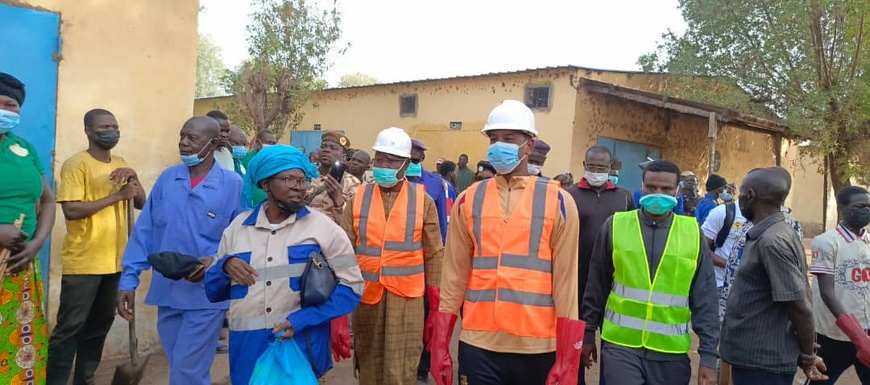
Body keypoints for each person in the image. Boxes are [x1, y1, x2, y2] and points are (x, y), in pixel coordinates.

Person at [429, 100, 583, 385]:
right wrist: (440, 345)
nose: (499, 145)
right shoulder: (469, 199)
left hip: (538, 346)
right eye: (493, 138)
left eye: (509, 139)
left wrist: (567, 358)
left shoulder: (559, 202)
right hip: (479, 344)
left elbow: (566, 286)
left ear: (529, 145)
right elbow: (453, 277)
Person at [204, 145, 364, 384]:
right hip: (247, 350)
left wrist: (301, 320)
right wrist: (225, 266)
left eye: (302, 181)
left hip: (300, 345)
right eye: (289, 180)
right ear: (265, 184)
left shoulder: (323, 228)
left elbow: (352, 288)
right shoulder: (237, 229)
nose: (298, 188)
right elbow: (213, 290)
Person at [117, 116, 242, 385]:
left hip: (206, 295)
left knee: (187, 372)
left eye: (192, 138)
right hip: (167, 293)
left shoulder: (232, 185)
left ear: (213, 143)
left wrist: (214, 263)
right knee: (181, 366)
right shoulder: (167, 179)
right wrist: (129, 280)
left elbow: (241, 239)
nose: (184, 143)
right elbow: (145, 231)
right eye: (182, 136)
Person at [581, 159, 719, 385]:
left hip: (670, 354)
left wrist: (708, 357)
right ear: (641, 187)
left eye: (666, 189)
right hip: (620, 346)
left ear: (677, 191)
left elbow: (705, 299)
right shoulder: (615, 226)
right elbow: (596, 285)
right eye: (652, 187)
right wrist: (588, 333)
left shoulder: (692, 234)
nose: (658, 193)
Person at [47, 109, 147, 385]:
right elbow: (72, 210)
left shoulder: (122, 162)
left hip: (116, 261)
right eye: (104, 126)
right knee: (70, 328)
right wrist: (117, 196)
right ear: (89, 131)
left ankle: (85, 379)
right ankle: (54, 380)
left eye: (114, 125)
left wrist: (134, 181)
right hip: (84, 261)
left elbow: (140, 203)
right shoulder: (76, 164)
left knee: (99, 327)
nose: (111, 130)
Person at [339, 127, 444, 385]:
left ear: (406, 164)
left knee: (402, 366)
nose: (384, 165)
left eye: (392, 160)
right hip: (367, 297)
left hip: (407, 298)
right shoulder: (358, 198)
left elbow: (434, 254)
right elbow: (343, 250)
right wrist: (341, 299)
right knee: (369, 362)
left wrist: (437, 303)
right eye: (380, 158)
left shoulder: (423, 201)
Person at [719, 167, 827, 384]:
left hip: (762, 364)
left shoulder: (772, 241)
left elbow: (799, 305)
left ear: (750, 196)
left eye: (740, 192)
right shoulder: (773, 233)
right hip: (752, 358)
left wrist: (807, 357)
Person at [0, 72, 57, 385]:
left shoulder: (24, 149)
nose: (5, 110)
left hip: (20, 266)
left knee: (19, 351)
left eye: (11, 105)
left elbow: (48, 201)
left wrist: (37, 242)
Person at [563, 145, 634, 385]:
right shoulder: (569, 195)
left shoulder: (624, 197)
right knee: (577, 342)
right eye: (591, 167)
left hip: (616, 284)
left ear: (610, 167)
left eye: (601, 168)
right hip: (577, 282)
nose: (596, 172)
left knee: (613, 345)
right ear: (584, 166)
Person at [807, 186, 870, 384]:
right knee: (820, 380)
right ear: (842, 209)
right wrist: (856, 334)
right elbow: (827, 292)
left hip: (866, 331)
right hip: (831, 335)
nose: (866, 210)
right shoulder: (826, 242)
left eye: (869, 206)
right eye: (860, 206)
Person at [700, 189, 746, 303]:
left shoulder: (764, 219)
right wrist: (733, 267)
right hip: (719, 286)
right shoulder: (723, 212)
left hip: (747, 290)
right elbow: (701, 249)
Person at [305, 131, 360, 223]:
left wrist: (338, 199)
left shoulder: (352, 183)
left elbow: (352, 222)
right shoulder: (306, 175)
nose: (326, 150)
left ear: (344, 157)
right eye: (323, 147)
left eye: (333, 148)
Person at [407, 139, 449, 242]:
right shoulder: (393, 181)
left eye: (415, 160)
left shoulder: (435, 183)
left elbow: (441, 221)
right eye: (408, 160)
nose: (410, 163)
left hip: (426, 244)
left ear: (422, 158)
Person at [240, 130, 278, 208]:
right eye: (268, 142)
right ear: (258, 142)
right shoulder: (245, 158)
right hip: (250, 206)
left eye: (274, 143)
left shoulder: (276, 161)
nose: (271, 145)